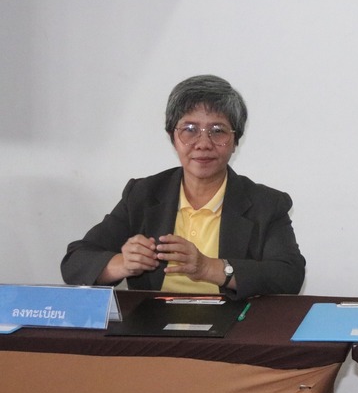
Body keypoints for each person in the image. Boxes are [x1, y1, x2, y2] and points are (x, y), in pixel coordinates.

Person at [61, 75, 305, 299]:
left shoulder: (266, 204)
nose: (203, 143)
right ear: (172, 137)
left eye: (218, 131)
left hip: (234, 325)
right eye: (189, 130)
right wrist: (123, 264)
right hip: (153, 325)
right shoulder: (143, 194)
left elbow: (289, 276)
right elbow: (75, 262)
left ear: (235, 141)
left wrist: (210, 268)